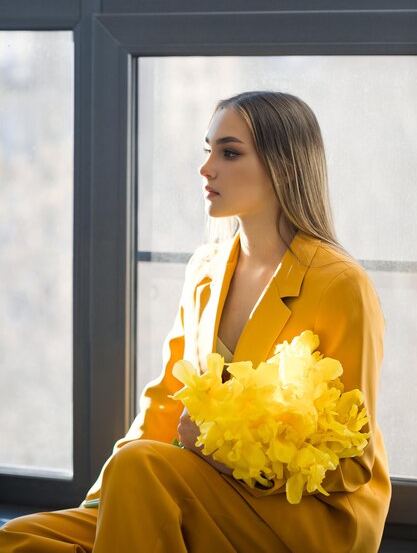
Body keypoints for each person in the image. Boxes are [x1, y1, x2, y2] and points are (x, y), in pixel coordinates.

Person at [0, 91, 391, 552]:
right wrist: (105, 503)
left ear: (284, 166)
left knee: (141, 469)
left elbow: (351, 462)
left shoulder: (340, 284)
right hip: (194, 489)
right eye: (208, 151)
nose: (206, 169)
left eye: (229, 153)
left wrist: (220, 453)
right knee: (19, 539)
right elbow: (167, 400)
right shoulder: (205, 269)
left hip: (303, 513)